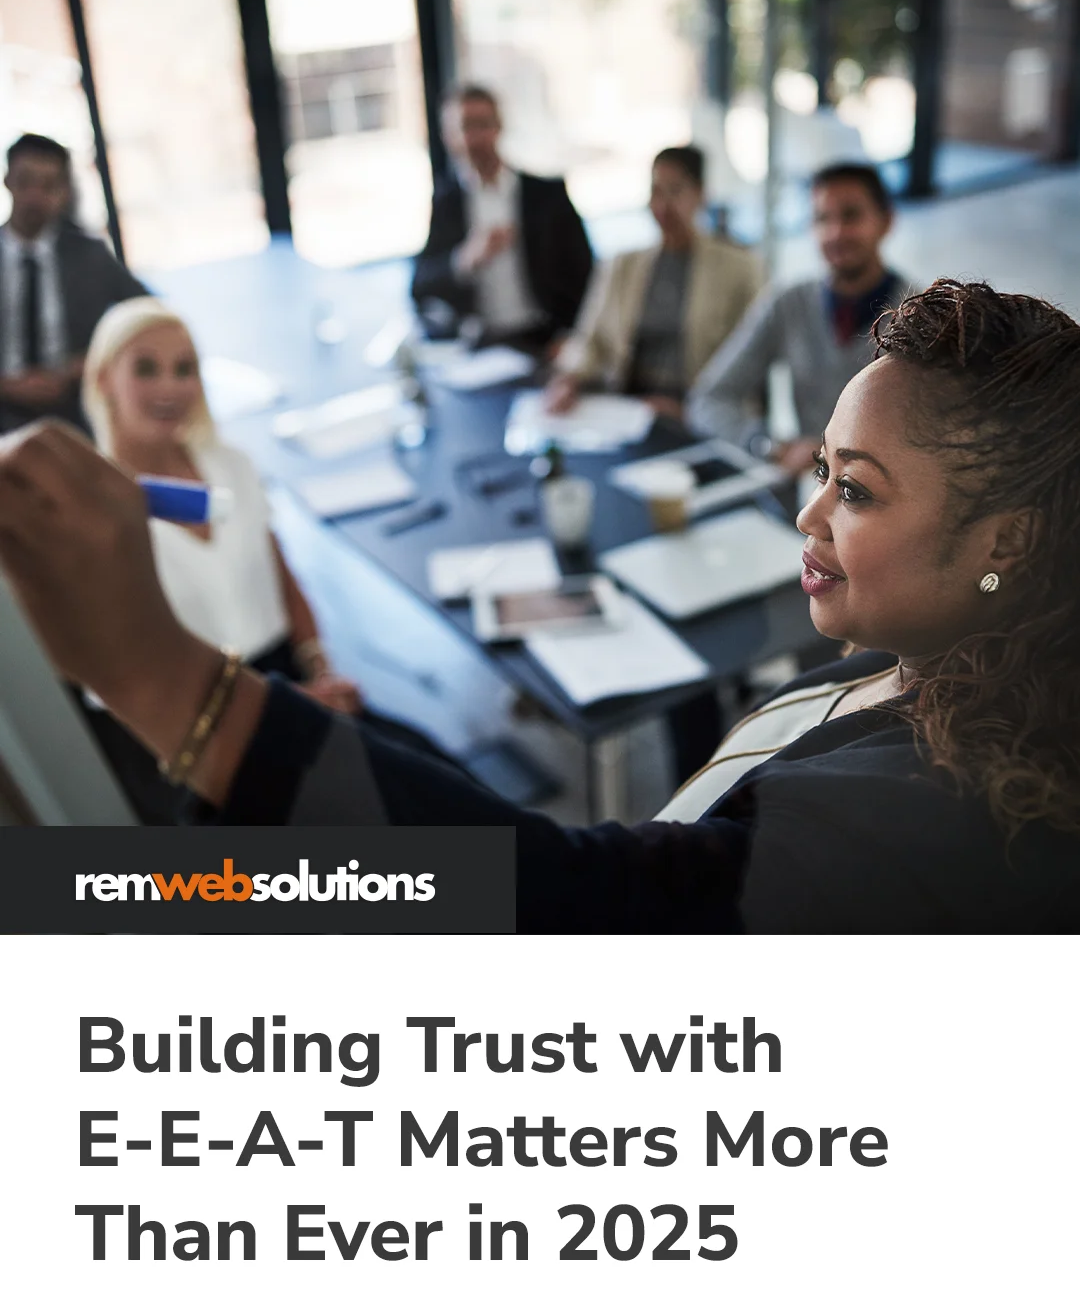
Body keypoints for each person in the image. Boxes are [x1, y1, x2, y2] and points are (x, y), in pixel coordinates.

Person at [2, 281, 1079, 928]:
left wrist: (158, 671)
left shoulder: (943, 826)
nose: (810, 520)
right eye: (820, 473)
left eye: (855, 490)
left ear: (1007, 541)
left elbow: (582, 912)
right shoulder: (914, 661)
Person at [75, 297, 444, 821]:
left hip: (286, 683)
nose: (169, 387)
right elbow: (122, 689)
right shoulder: (93, 515)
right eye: (146, 368)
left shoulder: (231, 466)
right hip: (190, 734)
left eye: (185, 369)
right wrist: (275, 718)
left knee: (432, 782)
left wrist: (321, 669)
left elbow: (282, 577)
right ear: (103, 379)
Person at [688, 163, 916, 475]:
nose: (836, 233)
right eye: (823, 219)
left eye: (851, 216)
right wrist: (767, 444)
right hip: (809, 491)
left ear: (886, 221)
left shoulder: (921, 317)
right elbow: (709, 399)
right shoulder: (788, 302)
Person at [547, 145, 762, 421]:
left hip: (695, 413)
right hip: (627, 408)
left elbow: (748, 367)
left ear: (700, 195)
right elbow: (589, 340)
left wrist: (689, 411)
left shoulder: (739, 268)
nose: (662, 205)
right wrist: (568, 379)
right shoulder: (623, 265)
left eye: (675, 191)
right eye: (656, 192)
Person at [411, 84, 593, 353]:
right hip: (482, 345)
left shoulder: (546, 195)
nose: (474, 139)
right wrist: (464, 259)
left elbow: (586, 276)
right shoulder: (447, 202)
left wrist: (571, 335)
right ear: (448, 136)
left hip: (545, 338)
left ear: (499, 127)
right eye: (464, 127)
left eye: (482, 125)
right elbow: (421, 285)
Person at [0, 133, 147, 433]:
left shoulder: (90, 255)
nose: (34, 197)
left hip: (77, 405)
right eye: (25, 181)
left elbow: (147, 316)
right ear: (7, 181)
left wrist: (82, 365)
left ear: (64, 191)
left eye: (48, 185)